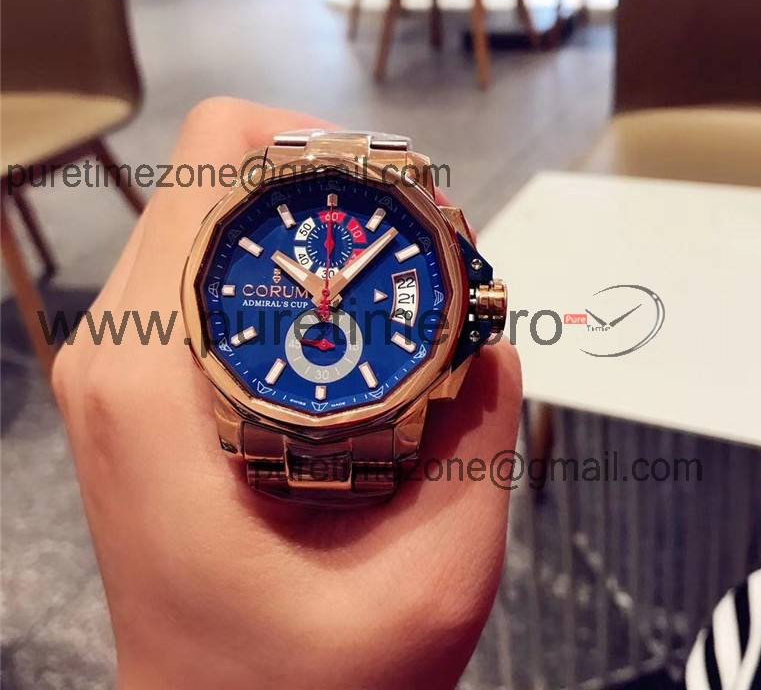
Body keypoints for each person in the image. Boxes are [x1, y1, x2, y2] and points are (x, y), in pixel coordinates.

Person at [52, 98, 522, 689]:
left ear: (479, 306)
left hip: (363, 398)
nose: (325, 301)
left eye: (333, 293)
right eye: (312, 290)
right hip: (280, 396)